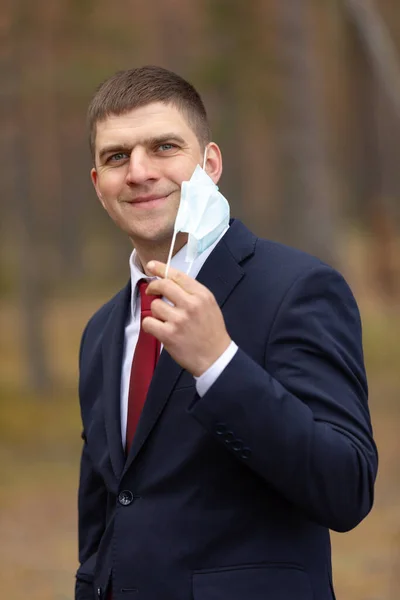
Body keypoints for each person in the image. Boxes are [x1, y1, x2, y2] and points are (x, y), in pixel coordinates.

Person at [76, 65, 378, 600]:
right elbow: (104, 522)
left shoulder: (300, 289)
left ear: (209, 165)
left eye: (164, 147)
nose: (139, 172)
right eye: (116, 157)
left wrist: (219, 364)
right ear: (100, 185)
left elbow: (346, 488)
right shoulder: (101, 330)